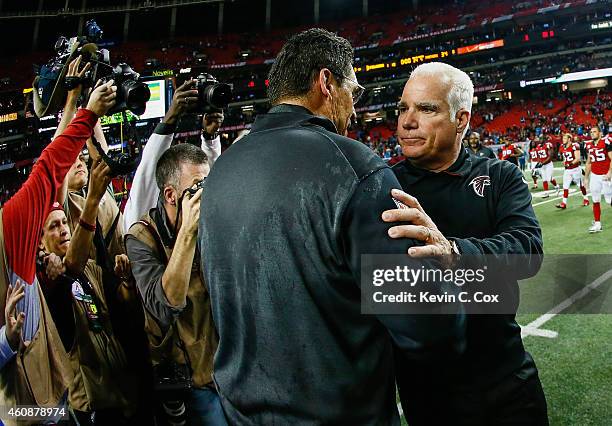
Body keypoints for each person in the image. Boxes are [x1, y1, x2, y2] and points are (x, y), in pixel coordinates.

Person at [199, 28, 464, 424]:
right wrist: (447, 272)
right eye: (352, 93)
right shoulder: (354, 166)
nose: (355, 110)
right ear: (326, 83)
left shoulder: (221, 170)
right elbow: (428, 330)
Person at [386, 62, 547, 426]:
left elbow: (528, 249)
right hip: (426, 391)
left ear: (461, 119)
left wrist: (453, 253)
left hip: (504, 377)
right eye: (402, 108)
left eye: (426, 109)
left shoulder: (500, 176)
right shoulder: (383, 187)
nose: (407, 121)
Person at [0, 81, 116, 418]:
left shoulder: (18, 234)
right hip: (20, 409)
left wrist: (74, 105)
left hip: (52, 394)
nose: (61, 229)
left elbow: (53, 173)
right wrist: (7, 339)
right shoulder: (10, 226)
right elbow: (49, 169)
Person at [125, 144, 225, 425]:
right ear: (171, 195)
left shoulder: (212, 221)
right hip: (192, 378)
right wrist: (188, 231)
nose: (205, 195)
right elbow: (164, 305)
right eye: (196, 187)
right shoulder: (142, 237)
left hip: (230, 367)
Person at [38, 159, 135, 424]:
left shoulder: (90, 268)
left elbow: (119, 307)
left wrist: (125, 283)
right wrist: (91, 199)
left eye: (63, 223)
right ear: (41, 241)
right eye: (53, 227)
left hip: (120, 386)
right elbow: (70, 270)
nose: (62, 230)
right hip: (90, 402)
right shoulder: (47, 284)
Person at [123, 79, 217, 231]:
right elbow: (146, 175)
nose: (203, 192)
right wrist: (172, 115)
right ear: (170, 195)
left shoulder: (206, 226)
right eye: (196, 186)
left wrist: (210, 138)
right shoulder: (142, 229)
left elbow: (211, 178)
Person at [584, 125, 612, 233]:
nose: (592, 133)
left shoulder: (606, 142)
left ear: (600, 133)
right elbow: (589, 162)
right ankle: (597, 224)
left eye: (594, 131)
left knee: (609, 200)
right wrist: (586, 177)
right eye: (591, 132)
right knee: (595, 199)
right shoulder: (589, 145)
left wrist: (610, 172)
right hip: (595, 175)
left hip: (605, 174)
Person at [556, 132, 589, 209]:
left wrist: (569, 164)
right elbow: (565, 157)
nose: (563, 140)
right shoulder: (562, 147)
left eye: (565, 138)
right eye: (563, 138)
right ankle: (564, 203)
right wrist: (564, 161)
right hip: (567, 170)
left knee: (580, 185)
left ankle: (586, 199)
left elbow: (577, 159)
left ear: (569, 139)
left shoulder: (574, 146)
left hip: (575, 169)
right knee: (565, 186)